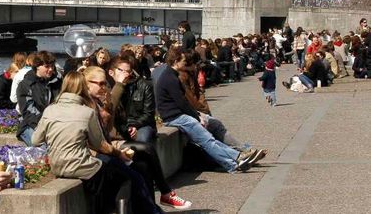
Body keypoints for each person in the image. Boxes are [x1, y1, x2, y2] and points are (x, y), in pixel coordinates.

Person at [32, 72, 161, 214]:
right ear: (82, 88)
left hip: (57, 166)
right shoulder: (86, 113)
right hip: (83, 167)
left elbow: (35, 140)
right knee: (126, 180)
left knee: (117, 178)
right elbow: (101, 145)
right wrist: (119, 154)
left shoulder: (50, 110)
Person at [83, 66, 192, 210]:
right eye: (100, 84)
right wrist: (114, 95)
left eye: (105, 83)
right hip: (101, 150)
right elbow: (98, 139)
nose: (104, 87)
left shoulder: (108, 96)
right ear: (86, 83)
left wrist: (112, 110)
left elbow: (115, 125)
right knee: (140, 160)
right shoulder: (86, 104)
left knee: (144, 165)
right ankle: (163, 197)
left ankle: (156, 203)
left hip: (114, 141)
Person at [154, 45, 256, 173]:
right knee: (207, 140)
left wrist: (196, 115)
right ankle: (233, 161)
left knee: (208, 139)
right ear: (175, 62)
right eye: (184, 61)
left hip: (176, 116)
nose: (186, 64)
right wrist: (197, 117)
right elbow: (182, 103)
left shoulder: (170, 75)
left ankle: (235, 159)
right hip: (175, 117)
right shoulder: (171, 79)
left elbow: (182, 103)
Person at [16, 50, 61, 145]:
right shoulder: (26, 84)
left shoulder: (58, 82)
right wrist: (46, 125)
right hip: (31, 125)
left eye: (52, 66)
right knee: (43, 147)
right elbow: (28, 112)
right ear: (37, 67)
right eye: (47, 66)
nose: (51, 69)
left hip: (55, 124)